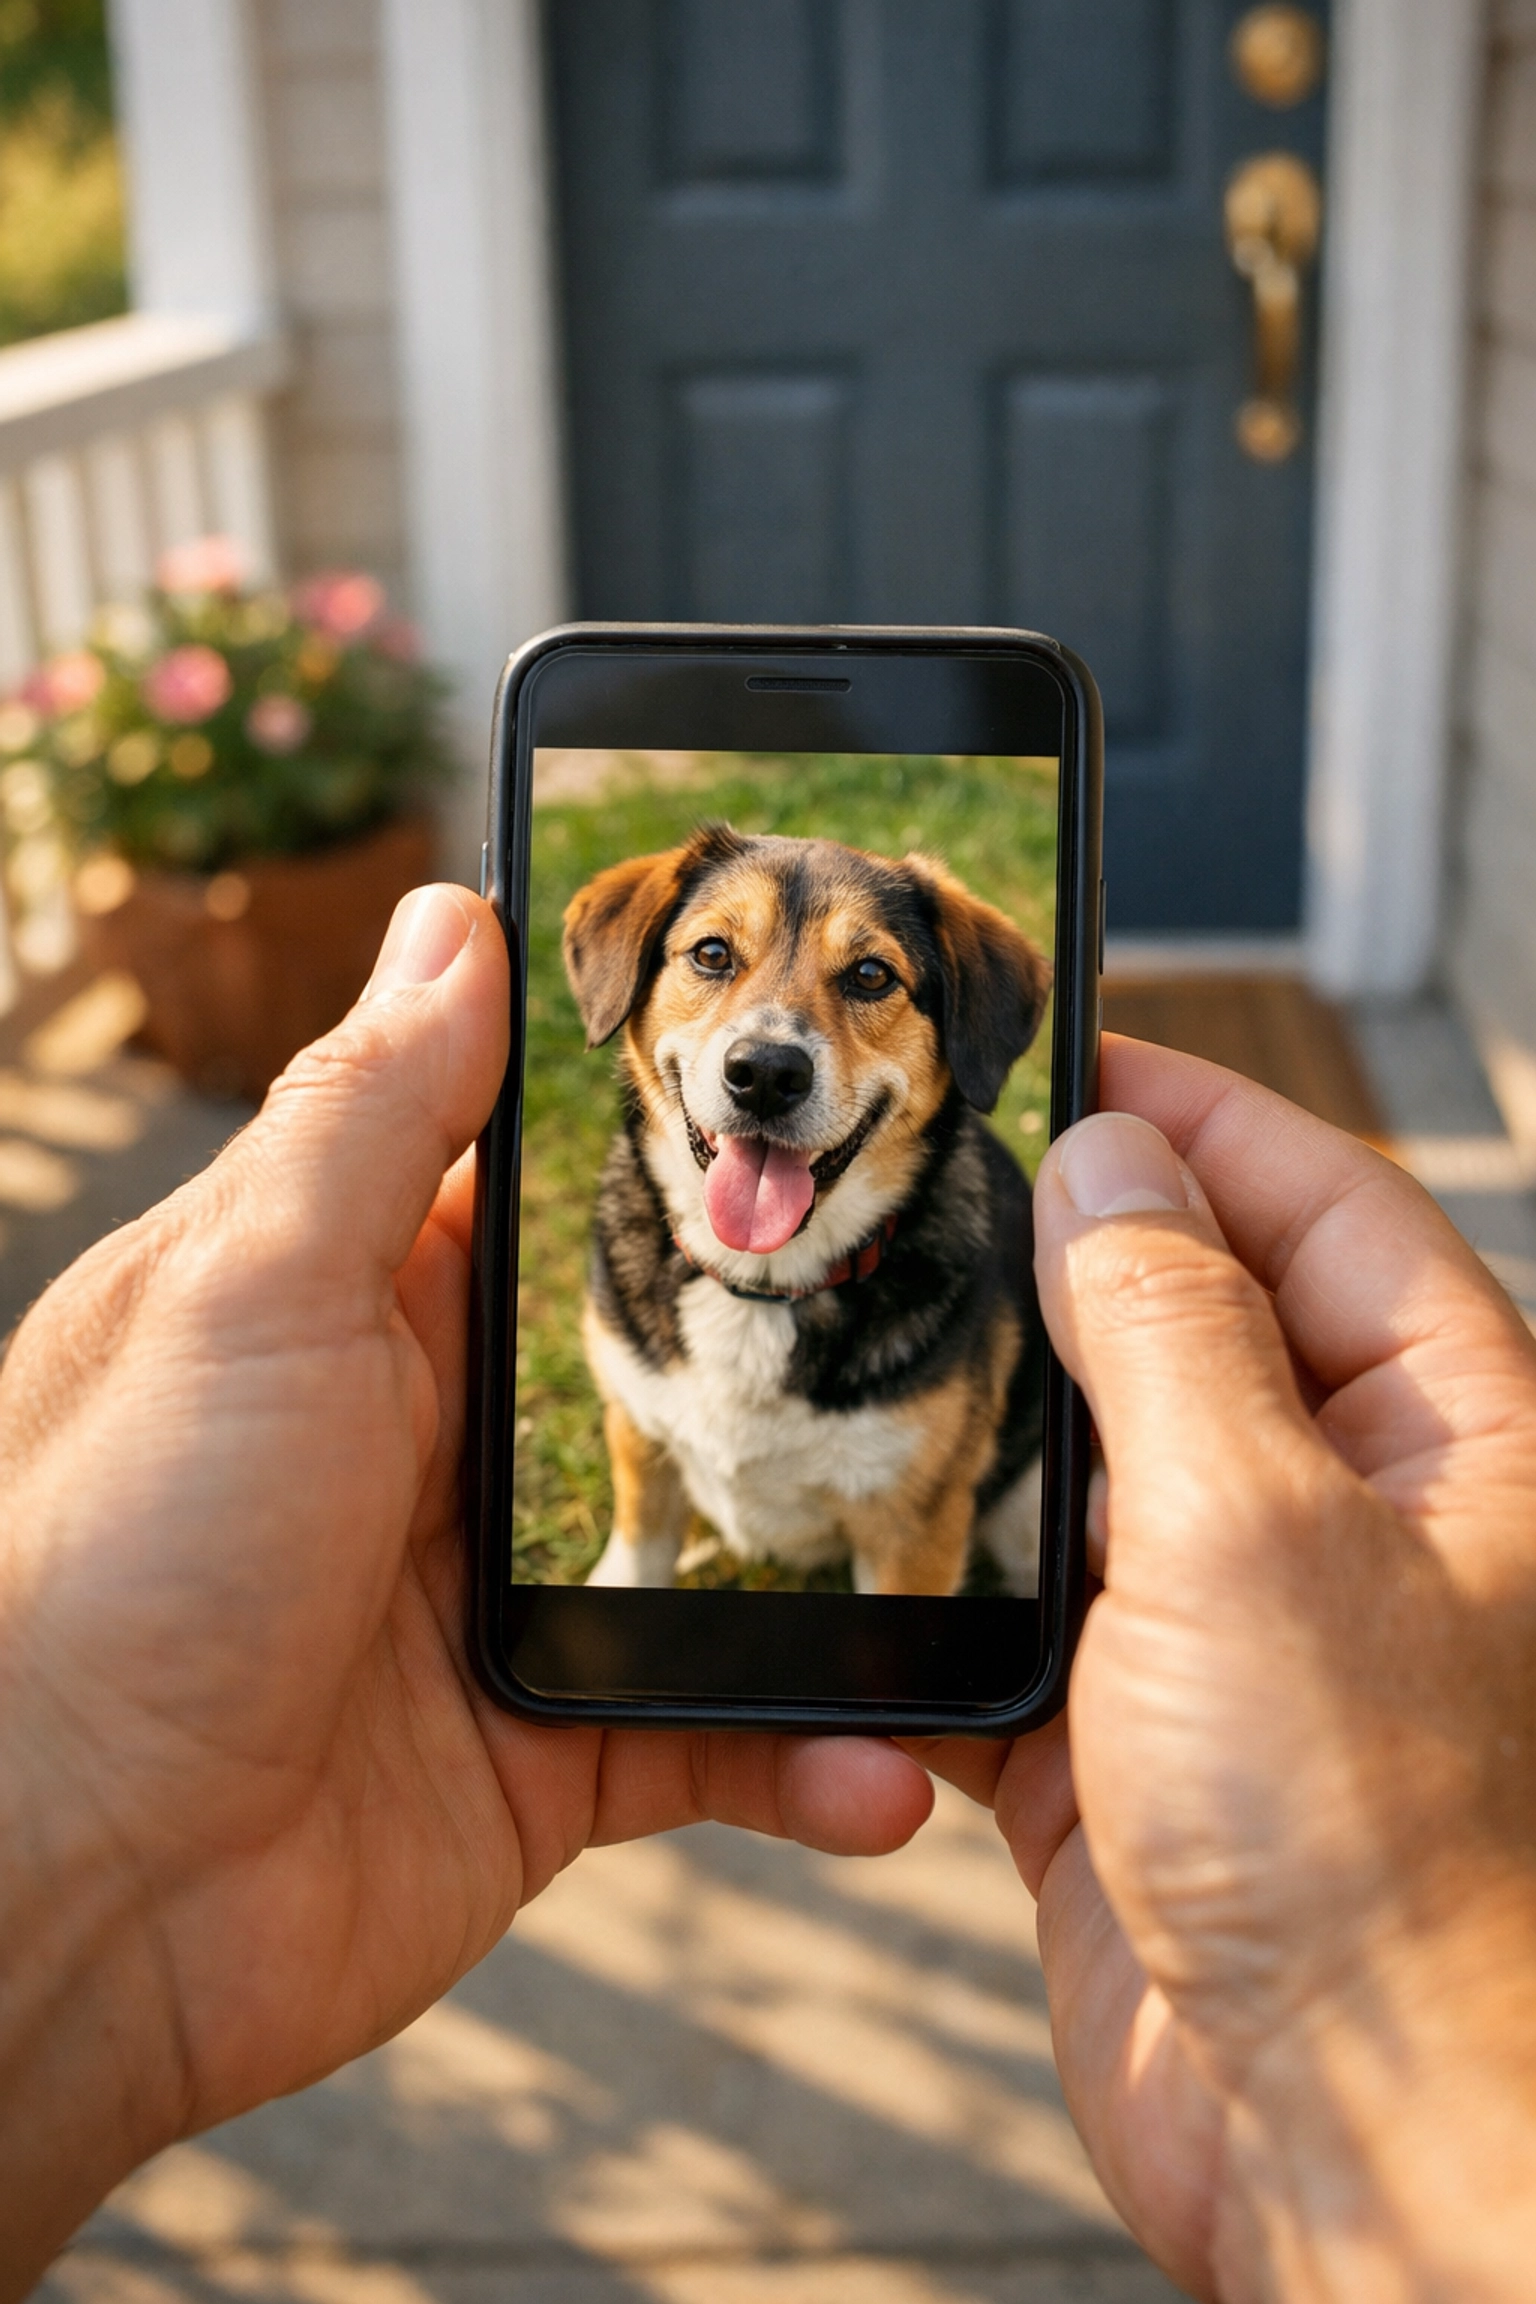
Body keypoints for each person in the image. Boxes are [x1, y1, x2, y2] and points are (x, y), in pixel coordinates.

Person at [1, 883, 1534, 2302]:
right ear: (634, 990)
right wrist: (636, 1561)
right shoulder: (631, 1235)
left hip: (941, 1465)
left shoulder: (948, 1250)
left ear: (955, 1044)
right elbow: (633, 1419)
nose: (770, 1038)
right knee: (649, 1424)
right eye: (716, 960)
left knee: (999, 1531)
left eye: (869, 985)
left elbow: (922, 1513)